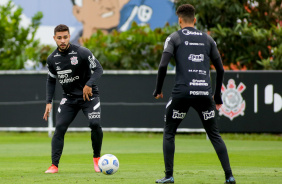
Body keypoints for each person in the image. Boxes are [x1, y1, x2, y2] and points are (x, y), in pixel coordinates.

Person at [153, 4, 236, 184]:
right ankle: (229, 176)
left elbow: (162, 66)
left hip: (182, 93)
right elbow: (220, 69)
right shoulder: (208, 40)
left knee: (169, 132)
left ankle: (169, 176)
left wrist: (158, 89)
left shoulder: (174, 37)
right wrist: (218, 95)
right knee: (214, 134)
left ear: (180, 20)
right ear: (195, 20)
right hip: (204, 93)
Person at [43, 24, 104, 174]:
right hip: (69, 99)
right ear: (54, 39)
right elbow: (51, 80)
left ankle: (97, 159)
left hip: (88, 96)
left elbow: (98, 69)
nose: (62, 40)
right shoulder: (52, 59)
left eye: (65, 37)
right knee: (60, 128)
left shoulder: (82, 52)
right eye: (59, 38)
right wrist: (48, 102)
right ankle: (54, 165)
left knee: (94, 124)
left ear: (69, 37)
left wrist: (89, 84)